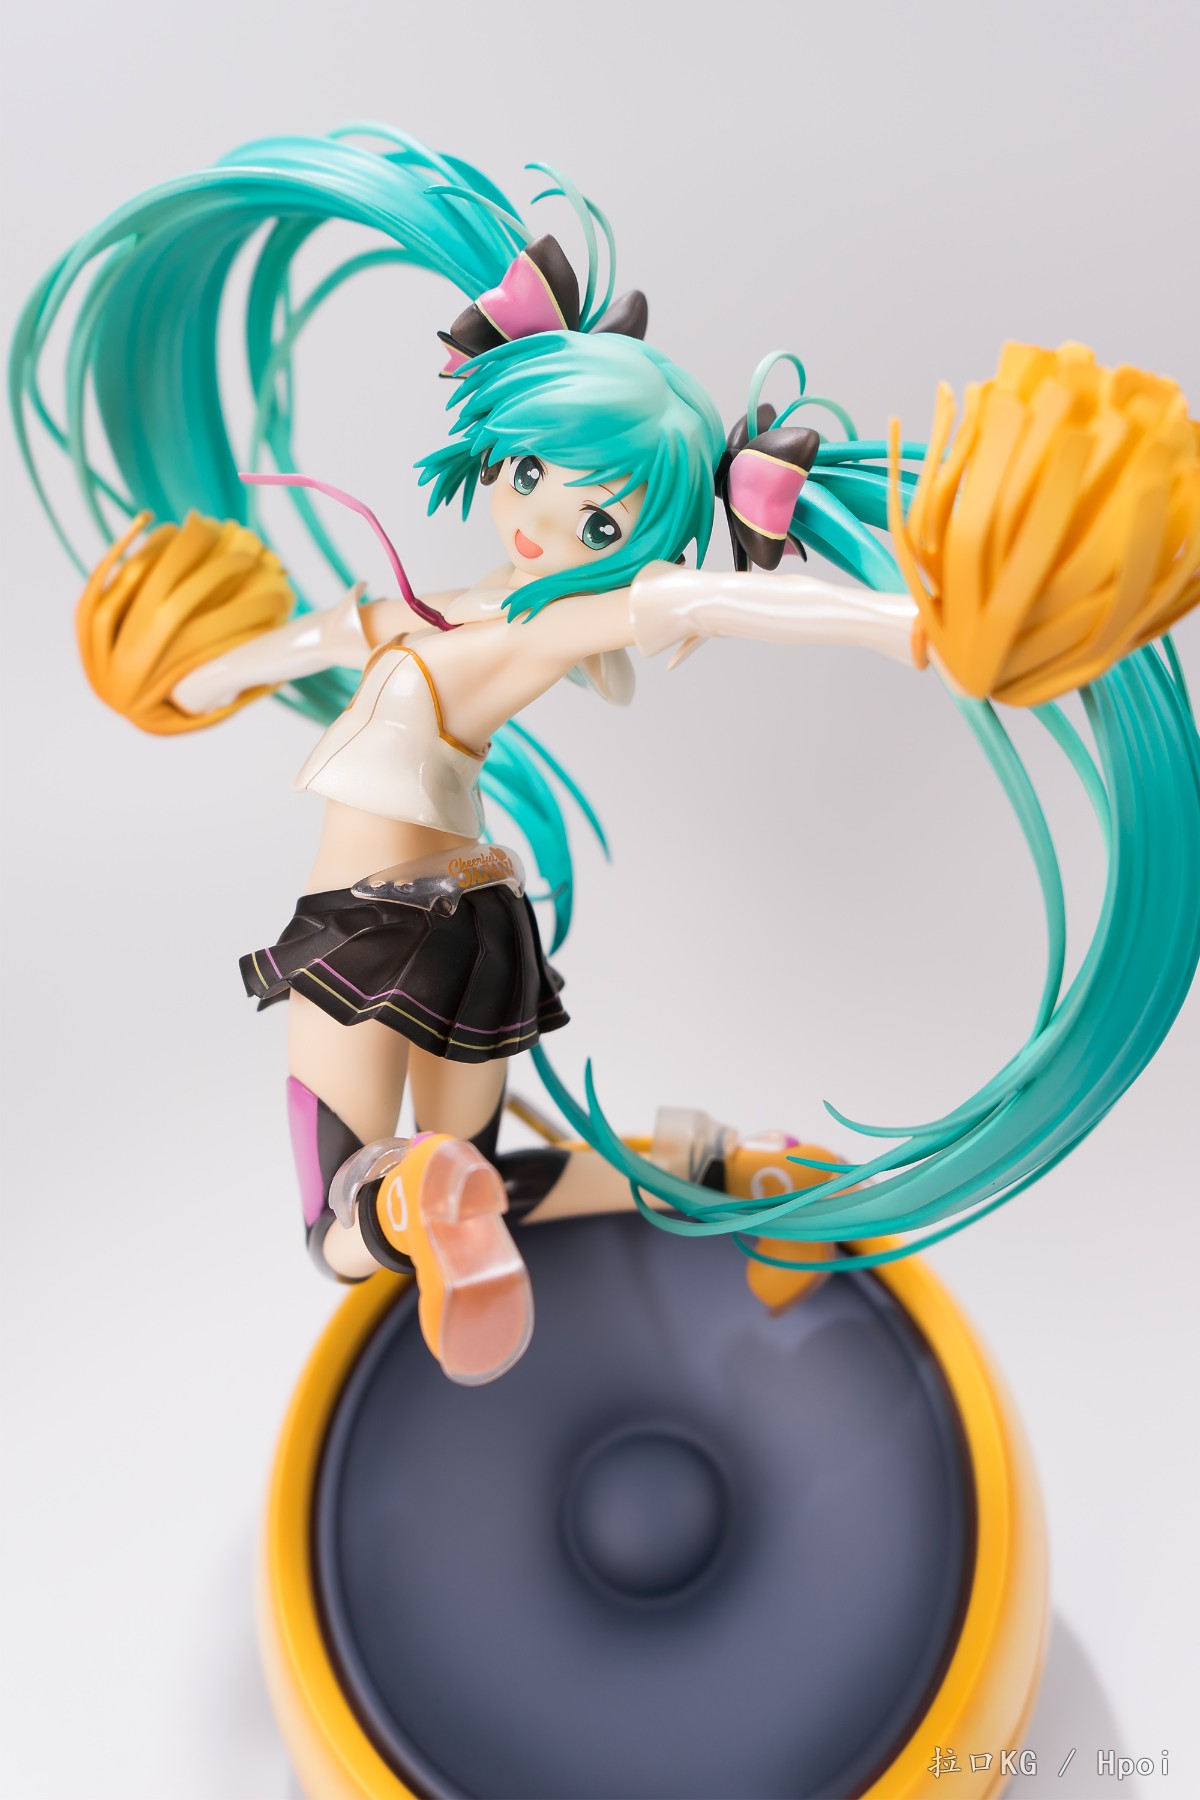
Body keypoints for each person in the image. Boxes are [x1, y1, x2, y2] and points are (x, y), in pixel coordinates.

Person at [13, 126, 1200, 1383]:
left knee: (339, 1224)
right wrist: (189, 671)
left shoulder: (539, 627)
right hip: (477, 923)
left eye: (597, 519)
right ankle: (726, 1168)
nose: (539, 519)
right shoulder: (437, 614)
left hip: (370, 916)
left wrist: (913, 626)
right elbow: (294, 642)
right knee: (484, 1177)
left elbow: (718, 601)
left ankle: (411, 1201)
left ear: (632, 540)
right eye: (529, 471)